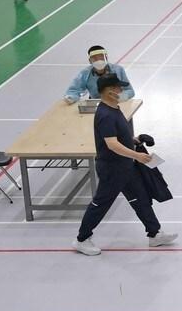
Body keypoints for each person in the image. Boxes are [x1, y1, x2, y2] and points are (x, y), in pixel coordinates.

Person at [72, 74, 175, 256]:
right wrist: (137, 155)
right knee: (101, 203)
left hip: (125, 166)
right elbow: (111, 144)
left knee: (140, 198)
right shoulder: (105, 115)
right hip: (112, 169)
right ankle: (81, 239)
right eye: (119, 87)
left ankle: (154, 234)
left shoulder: (114, 108)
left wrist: (134, 140)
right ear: (110, 91)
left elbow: (119, 136)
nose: (122, 90)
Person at [65, 45, 134, 103]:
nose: (99, 61)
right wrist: (71, 98)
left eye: (101, 57)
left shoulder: (118, 70)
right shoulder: (85, 73)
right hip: (96, 104)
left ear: (106, 58)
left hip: (117, 102)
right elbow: (73, 91)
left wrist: (122, 97)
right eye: (95, 58)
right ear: (90, 61)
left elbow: (130, 91)